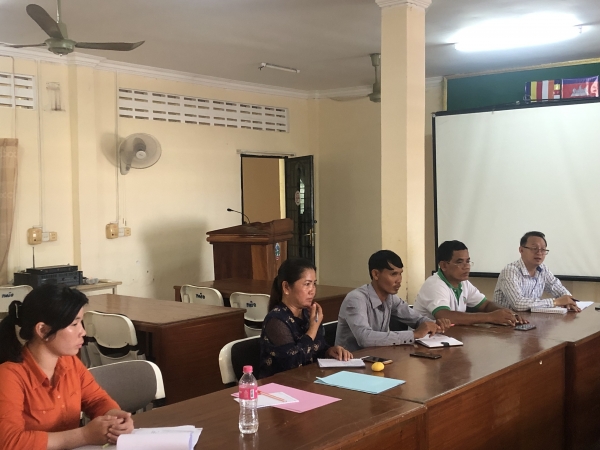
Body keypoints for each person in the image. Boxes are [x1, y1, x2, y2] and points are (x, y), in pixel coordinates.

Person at [0, 284, 134, 450]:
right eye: (74, 324)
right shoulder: (8, 376)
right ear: (43, 330)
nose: (83, 332)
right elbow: (9, 442)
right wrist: (83, 436)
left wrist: (114, 419)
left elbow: (97, 400)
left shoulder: (70, 362)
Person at [335, 250, 451, 352]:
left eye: (400, 274)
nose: (399, 280)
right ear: (376, 274)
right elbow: (365, 338)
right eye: (393, 274)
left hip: (377, 357)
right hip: (350, 362)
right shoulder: (355, 299)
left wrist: (435, 324)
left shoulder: (390, 297)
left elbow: (416, 319)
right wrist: (414, 334)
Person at [259, 258, 353, 378]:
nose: (312, 291)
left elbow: (316, 348)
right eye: (307, 284)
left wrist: (329, 351)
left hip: (309, 379)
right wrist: (313, 328)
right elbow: (293, 363)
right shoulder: (276, 320)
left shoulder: (307, 313)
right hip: (280, 384)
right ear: (286, 287)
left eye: (314, 284)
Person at [413, 240, 526, 326]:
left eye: (468, 261)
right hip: (425, 341)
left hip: (450, 337)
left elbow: (485, 305)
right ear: (443, 265)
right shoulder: (434, 284)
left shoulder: (464, 283)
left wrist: (509, 314)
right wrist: (490, 317)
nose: (466, 266)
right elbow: (445, 316)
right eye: (459, 262)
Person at [494, 231, 580, 312]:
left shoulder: (543, 269)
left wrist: (569, 301)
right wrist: (556, 302)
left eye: (543, 249)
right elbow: (518, 304)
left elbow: (556, 286)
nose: (539, 253)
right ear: (521, 250)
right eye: (534, 248)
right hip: (507, 321)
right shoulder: (510, 271)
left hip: (531, 319)